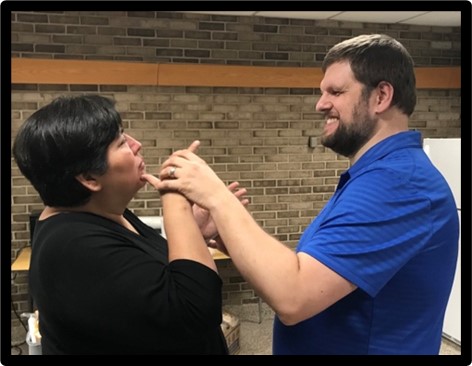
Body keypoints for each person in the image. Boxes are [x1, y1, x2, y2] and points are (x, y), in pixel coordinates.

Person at [143, 34, 460, 355]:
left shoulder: (398, 185)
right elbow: (311, 272)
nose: (320, 104)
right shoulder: (374, 176)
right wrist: (225, 233)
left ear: (381, 96)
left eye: (335, 92)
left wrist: (217, 197)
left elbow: (292, 295)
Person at [12, 94, 247, 355]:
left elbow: (151, 278)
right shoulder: (70, 246)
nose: (137, 144)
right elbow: (197, 310)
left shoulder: (107, 212)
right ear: (89, 177)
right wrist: (175, 196)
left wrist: (194, 235)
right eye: (121, 142)